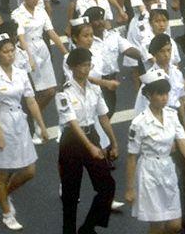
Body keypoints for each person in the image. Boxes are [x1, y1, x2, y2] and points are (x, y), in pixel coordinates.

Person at [125, 68, 185, 234]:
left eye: (166, 93)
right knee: (157, 226)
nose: (164, 98)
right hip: (149, 172)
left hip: (168, 169)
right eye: (159, 94)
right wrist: (130, 188)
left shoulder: (172, 115)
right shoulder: (139, 123)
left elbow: (182, 143)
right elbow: (132, 157)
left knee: (175, 225)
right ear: (149, 95)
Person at [0, 33, 48, 231]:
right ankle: (7, 213)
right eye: (5, 52)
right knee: (1, 174)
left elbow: (30, 100)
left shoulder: (21, 73)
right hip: (1, 123)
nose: (10, 55)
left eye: (12, 50)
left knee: (29, 170)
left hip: (19, 122)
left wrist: (42, 126)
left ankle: (3, 193)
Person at [56, 48, 119, 234]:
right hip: (72, 141)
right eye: (83, 65)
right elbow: (72, 123)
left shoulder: (95, 89)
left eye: (89, 65)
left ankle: (88, 228)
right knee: (71, 193)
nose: (87, 69)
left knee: (107, 186)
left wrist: (113, 142)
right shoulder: (64, 92)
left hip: (91, 135)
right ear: (73, 67)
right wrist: (90, 147)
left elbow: (103, 117)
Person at [13, 0, 68, 144]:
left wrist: (65, 52)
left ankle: (34, 117)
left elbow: (51, 32)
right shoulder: (17, 14)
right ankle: (34, 125)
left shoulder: (41, 11)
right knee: (32, 92)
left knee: (51, 91)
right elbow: (21, 36)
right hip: (26, 51)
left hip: (42, 49)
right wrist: (29, 57)